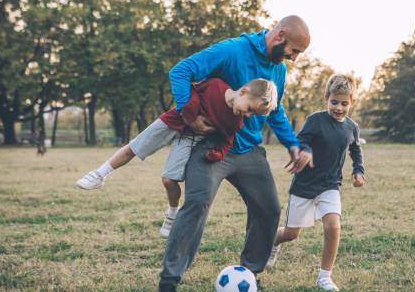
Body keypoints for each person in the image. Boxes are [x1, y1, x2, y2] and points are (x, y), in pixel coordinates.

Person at [148, 15, 311, 292]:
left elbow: (275, 111)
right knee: (196, 205)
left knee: (268, 208)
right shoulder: (233, 50)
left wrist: (291, 143)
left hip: (249, 151)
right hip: (213, 146)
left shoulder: (278, 69)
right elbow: (181, 70)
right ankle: (167, 288)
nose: (295, 58)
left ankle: (248, 274)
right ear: (280, 35)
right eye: (294, 51)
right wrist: (188, 114)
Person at [76, 77, 278, 237]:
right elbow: (191, 89)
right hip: (175, 119)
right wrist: (190, 111)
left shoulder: (235, 122)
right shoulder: (215, 85)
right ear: (243, 91)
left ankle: (172, 213)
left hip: (190, 137)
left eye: (253, 114)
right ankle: (99, 175)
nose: (248, 115)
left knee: (169, 180)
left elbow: (227, 140)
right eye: (250, 109)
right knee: (134, 147)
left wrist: (217, 153)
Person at [265, 73, 365, 292]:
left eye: (344, 103)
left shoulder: (352, 127)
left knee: (333, 227)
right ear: (326, 97)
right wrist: (306, 152)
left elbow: (356, 149)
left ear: (352, 102)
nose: (339, 107)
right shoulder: (315, 120)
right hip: (304, 186)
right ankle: (272, 244)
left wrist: (358, 170)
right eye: (334, 102)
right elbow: (302, 141)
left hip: (330, 185)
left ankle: (324, 277)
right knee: (291, 234)